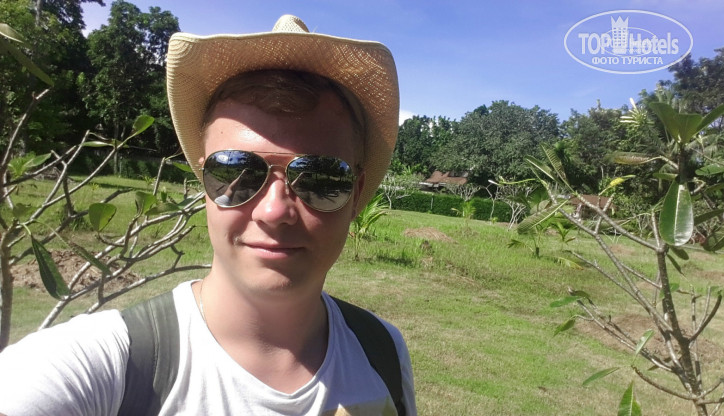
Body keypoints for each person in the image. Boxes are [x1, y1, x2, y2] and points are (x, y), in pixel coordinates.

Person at [0, 15, 416, 415]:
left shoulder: (383, 351)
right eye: (237, 171)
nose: (275, 211)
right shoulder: (111, 367)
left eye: (321, 178)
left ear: (356, 194)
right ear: (204, 184)